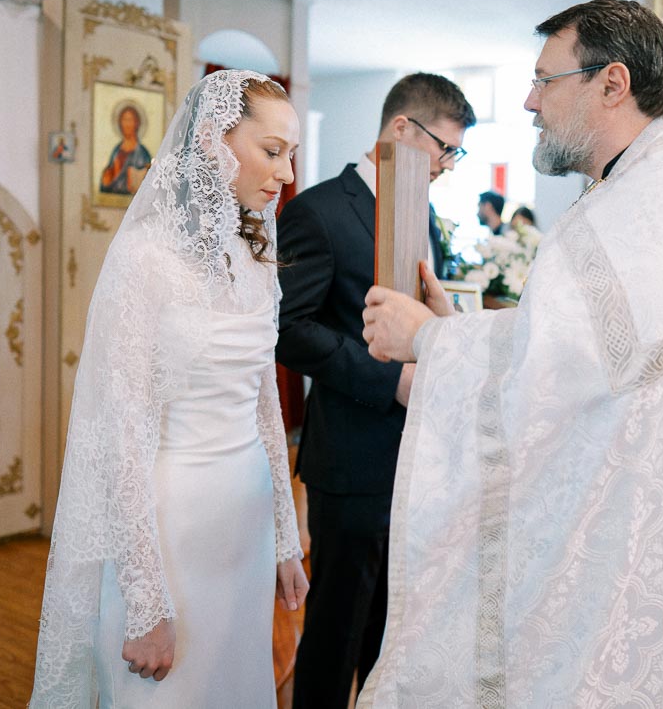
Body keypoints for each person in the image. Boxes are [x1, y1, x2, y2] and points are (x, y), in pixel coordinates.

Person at [358, 0, 663, 705]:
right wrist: (456, 323)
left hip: (630, 537)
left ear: (611, 84)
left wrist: (425, 338)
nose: (528, 101)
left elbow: (561, 368)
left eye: (545, 80)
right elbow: (590, 344)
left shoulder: (637, 208)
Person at [31, 70, 308, 706]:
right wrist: (145, 604)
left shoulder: (256, 258)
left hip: (242, 529)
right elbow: (121, 439)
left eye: (290, 154)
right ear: (211, 141)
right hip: (170, 530)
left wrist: (285, 541)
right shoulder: (144, 260)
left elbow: (265, 404)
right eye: (272, 151)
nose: (287, 175)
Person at [279, 72, 474, 709]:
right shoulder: (319, 211)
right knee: (337, 633)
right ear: (400, 129)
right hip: (353, 459)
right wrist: (392, 382)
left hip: (417, 459)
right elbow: (291, 331)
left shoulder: (425, 212)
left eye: (455, 152)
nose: (448, 164)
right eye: (445, 147)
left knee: (392, 634)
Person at [99, 103, 153, 195]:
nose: (127, 124)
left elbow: (149, 185)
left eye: (130, 120)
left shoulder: (143, 153)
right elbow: (107, 184)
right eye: (124, 120)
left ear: (137, 123)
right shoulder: (116, 151)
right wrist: (107, 178)